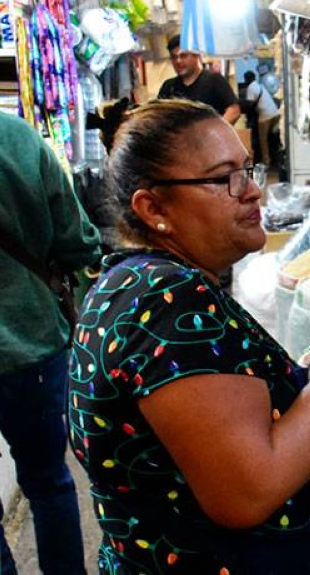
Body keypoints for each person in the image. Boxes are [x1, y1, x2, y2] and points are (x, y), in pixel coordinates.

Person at [68, 99, 310, 573]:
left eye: (247, 171)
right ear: (153, 208)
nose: (252, 191)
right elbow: (245, 492)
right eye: (223, 178)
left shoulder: (125, 280)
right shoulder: (169, 301)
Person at [0, 113, 100, 574]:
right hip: (32, 346)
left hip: (31, 346)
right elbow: (77, 239)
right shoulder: (14, 136)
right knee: (49, 485)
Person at [158, 35, 240, 124]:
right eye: (174, 57)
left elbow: (234, 110)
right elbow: (157, 115)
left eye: (183, 55)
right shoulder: (168, 87)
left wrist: (216, 132)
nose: (178, 61)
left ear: (196, 55)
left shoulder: (214, 80)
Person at [243, 71, 281, 167]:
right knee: (274, 137)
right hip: (275, 113)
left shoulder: (250, 87)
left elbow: (249, 104)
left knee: (262, 140)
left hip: (265, 116)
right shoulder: (260, 85)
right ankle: (278, 157)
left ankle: (266, 161)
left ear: (246, 79)